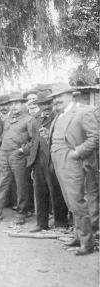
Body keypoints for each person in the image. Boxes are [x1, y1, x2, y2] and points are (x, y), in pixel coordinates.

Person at [48, 83, 99, 256]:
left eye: (60, 96)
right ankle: (79, 236)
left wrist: (76, 153)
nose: (56, 100)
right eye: (54, 97)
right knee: (70, 202)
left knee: (77, 202)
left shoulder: (84, 111)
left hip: (73, 162)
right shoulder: (59, 114)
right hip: (58, 162)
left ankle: (87, 242)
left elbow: (95, 138)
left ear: (71, 95)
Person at [0, 93, 38, 225]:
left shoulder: (29, 120)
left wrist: (22, 150)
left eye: (17, 103)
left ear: (23, 104)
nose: (14, 106)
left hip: (18, 156)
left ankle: (21, 213)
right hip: (4, 155)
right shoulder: (6, 119)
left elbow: (34, 140)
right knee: (1, 184)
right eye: (12, 104)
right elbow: (1, 137)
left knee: (20, 185)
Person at [27, 92, 69, 232]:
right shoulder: (35, 119)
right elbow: (33, 140)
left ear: (52, 104)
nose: (44, 106)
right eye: (41, 104)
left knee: (56, 190)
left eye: (47, 103)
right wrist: (32, 160)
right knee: (40, 191)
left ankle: (61, 223)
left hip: (52, 158)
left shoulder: (58, 117)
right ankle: (41, 223)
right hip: (38, 160)